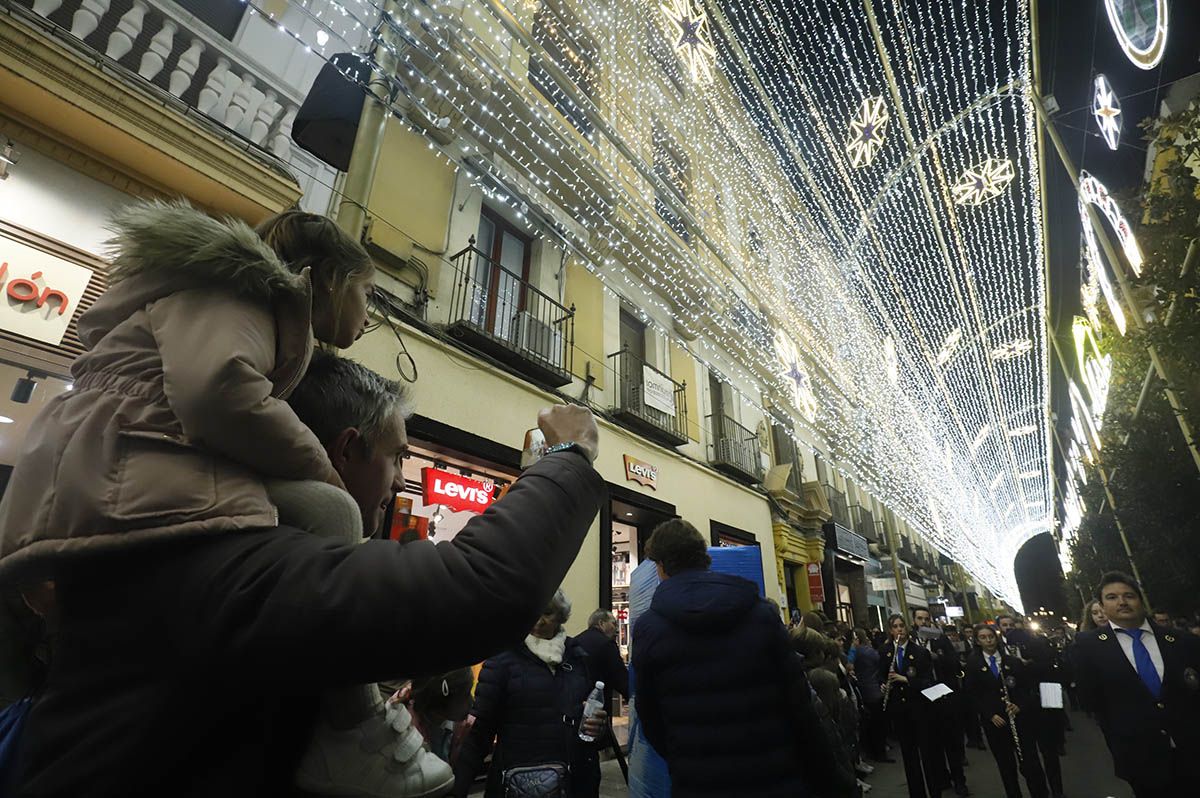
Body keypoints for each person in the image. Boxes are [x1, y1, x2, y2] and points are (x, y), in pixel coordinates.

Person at [5, 346, 605, 795]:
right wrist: (567, 457)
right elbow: (477, 589)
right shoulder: (233, 558)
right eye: (397, 454)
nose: (401, 480)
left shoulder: (214, 545)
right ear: (345, 450)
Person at [632, 519, 806, 797]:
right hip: (771, 776)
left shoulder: (649, 628)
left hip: (697, 781)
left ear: (661, 567)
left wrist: (684, 757)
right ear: (705, 558)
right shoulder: (761, 614)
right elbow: (798, 701)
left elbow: (648, 713)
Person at [452, 590, 606, 798]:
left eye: (548, 613)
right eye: (533, 612)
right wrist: (457, 789)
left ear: (561, 616)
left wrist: (598, 728)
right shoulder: (502, 660)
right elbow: (480, 733)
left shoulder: (577, 657)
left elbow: (589, 720)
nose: (539, 621)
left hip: (576, 783)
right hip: (520, 784)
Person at [1074, 571, 1200, 797]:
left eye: (1129, 595)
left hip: (1191, 750)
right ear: (1102, 606)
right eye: (1112, 597)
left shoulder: (1181, 641)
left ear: (1140, 600)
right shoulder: (1088, 647)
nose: (1122, 602)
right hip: (1140, 758)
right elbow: (1092, 700)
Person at [963, 624, 1049, 798]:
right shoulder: (973, 665)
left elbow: (1028, 689)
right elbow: (972, 695)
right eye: (983, 637)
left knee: (1031, 764)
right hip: (995, 722)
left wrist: (1020, 705)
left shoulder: (1012, 662)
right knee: (1006, 766)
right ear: (977, 641)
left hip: (1019, 719)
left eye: (991, 636)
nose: (988, 640)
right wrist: (989, 715)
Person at [878, 614, 938, 798]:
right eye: (895, 626)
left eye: (902, 625)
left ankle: (935, 792)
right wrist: (883, 685)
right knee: (909, 757)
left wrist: (906, 679)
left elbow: (929, 681)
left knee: (928, 755)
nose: (899, 629)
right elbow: (881, 675)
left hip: (919, 709)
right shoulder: (885, 651)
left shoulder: (919, 652)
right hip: (900, 711)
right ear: (890, 630)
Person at [912, 608, 968, 797]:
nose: (923, 622)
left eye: (926, 619)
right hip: (925, 698)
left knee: (951, 742)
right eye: (920, 619)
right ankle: (941, 778)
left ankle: (959, 780)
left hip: (945, 695)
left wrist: (938, 658)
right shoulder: (913, 641)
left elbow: (954, 662)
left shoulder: (940, 639)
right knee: (932, 745)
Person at [625, 558, 669, 798]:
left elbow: (645, 701)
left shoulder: (649, 625)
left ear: (661, 568)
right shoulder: (757, 618)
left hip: (676, 764)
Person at [853, 628, 889, 764]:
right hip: (873, 689)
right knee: (878, 723)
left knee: (872, 723)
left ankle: (874, 751)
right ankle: (880, 752)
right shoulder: (867, 652)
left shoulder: (857, 652)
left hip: (865, 689)